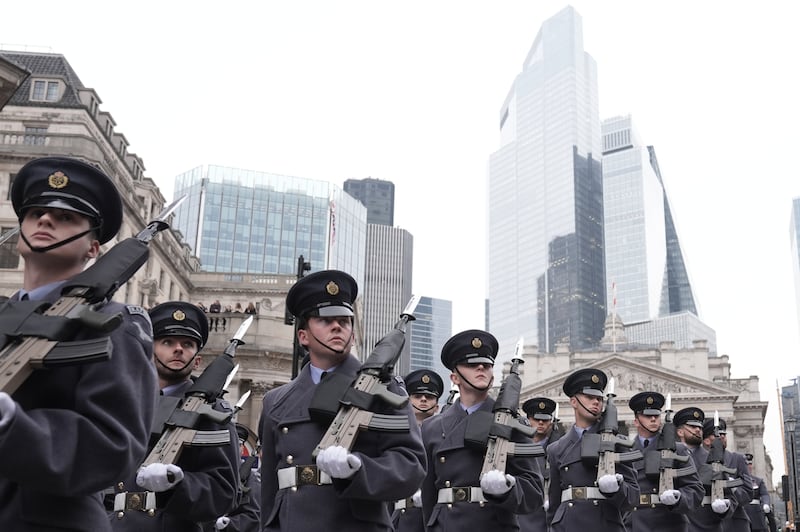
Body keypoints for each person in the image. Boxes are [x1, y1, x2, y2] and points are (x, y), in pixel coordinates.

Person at [0, 156, 157, 530]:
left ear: (93, 248)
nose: (46, 220)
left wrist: (12, 425)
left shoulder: (112, 325)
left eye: (67, 217)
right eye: (35, 212)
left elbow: (112, 446)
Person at [258, 270, 426, 531]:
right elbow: (269, 488)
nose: (337, 326)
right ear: (303, 336)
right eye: (325, 320)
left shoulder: (384, 388)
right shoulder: (276, 402)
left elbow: (411, 466)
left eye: (344, 320)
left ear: (353, 334)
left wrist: (358, 469)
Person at [109, 301, 240, 531]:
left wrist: (179, 484)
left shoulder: (211, 411)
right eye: (167, 342)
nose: (178, 349)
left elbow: (223, 491)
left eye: (187, 344)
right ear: (149, 352)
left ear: (197, 360)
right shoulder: (124, 401)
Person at [420, 329, 544, 531]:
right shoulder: (431, 427)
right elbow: (429, 496)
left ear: (493, 377)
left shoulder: (512, 423)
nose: (480, 367)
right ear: (455, 378)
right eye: (471, 364)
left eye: (487, 365)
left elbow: (534, 492)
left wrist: (507, 488)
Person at [545, 368, 638, 532]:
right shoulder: (556, 449)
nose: (596, 402)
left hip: (605, 524)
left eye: (599, 398)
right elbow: (554, 503)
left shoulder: (617, 442)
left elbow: (633, 498)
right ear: (574, 402)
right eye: (589, 397)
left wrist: (617, 488)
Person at [625, 392, 704, 531]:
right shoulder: (627, 451)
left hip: (668, 523)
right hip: (634, 524)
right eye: (648, 415)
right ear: (636, 421)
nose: (654, 419)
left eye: (656, 415)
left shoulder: (678, 450)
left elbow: (695, 490)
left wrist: (679, 498)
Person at [392, 369, 444, 532]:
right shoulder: (394, 434)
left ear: (437, 406)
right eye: (417, 396)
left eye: (429, 397)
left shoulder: (445, 437)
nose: (423, 399)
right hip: (401, 517)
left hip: (435, 517)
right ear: (407, 401)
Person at [674, 406, 733, 532]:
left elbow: (729, 495)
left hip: (706, 525)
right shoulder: (669, 457)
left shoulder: (713, 459)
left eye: (700, 427)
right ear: (680, 432)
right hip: (674, 523)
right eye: (692, 427)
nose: (698, 430)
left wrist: (725, 507)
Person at [518, 396, 562, 532]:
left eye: (546, 419)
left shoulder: (559, 448)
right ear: (528, 420)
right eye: (536, 419)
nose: (541, 423)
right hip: (525, 517)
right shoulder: (519, 448)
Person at [702, 418, 752, 532]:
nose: (722, 436)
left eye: (724, 434)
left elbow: (748, 494)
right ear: (706, 441)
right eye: (717, 435)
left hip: (735, 522)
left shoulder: (737, 459)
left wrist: (731, 486)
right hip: (708, 521)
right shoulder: (700, 461)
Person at [209, 423, 262, 532]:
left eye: (236, 445)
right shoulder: (212, 469)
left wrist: (229, 524)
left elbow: (254, 516)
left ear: (242, 448)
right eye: (227, 445)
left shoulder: (249, 477)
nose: (231, 449)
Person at [742, 453, 777, 532]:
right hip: (743, 512)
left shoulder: (758, 481)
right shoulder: (737, 480)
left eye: (750, 464)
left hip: (756, 515)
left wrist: (766, 504)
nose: (749, 466)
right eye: (747, 464)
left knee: (770, 517)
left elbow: (764, 494)